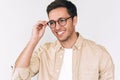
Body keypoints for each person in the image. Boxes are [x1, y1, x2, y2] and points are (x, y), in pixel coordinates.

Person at [12, 0, 114, 80]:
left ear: (74, 20)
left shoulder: (99, 53)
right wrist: (33, 40)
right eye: (52, 22)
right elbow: (19, 77)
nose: (57, 27)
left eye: (62, 20)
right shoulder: (44, 51)